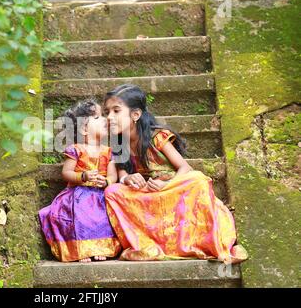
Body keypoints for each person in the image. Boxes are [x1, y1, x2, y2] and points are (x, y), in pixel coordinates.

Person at [103, 84, 248, 264]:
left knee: (198, 179)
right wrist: (127, 179)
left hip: (172, 190)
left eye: (116, 111)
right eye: (107, 112)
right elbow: (122, 172)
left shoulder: (156, 137)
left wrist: (166, 185)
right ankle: (143, 245)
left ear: (135, 115)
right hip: (148, 195)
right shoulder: (118, 142)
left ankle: (214, 244)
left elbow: (185, 168)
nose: (109, 117)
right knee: (112, 191)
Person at [39, 99, 121, 262]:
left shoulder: (108, 151)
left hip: (99, 194)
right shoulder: (76, 150)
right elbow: (66, 172)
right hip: (78, 195)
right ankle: (80, 249)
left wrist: (106, 182)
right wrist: (82, 176)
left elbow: (113, 176)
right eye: (98, 117)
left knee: (103, 217)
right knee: (81, 215)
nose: (105, 119)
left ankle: (100, 247)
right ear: (84, 128)